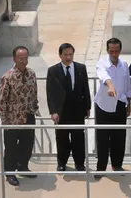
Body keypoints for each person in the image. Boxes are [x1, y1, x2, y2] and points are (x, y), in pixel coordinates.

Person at [0, 46, 40, 186]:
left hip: (28, 115)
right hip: (12, 118)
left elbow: (34, 93)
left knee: (27, 144)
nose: (24, 61)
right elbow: (2, 101)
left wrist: (35, 108)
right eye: (21, 58)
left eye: (25, 58)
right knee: (11, 147)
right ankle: (10, 173)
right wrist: (5, 121)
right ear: (14, 59)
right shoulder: (8, 77)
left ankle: (23, 166)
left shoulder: (31, 74)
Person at [46, 43, 91, 172]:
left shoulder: (81, 68)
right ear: (60, 55)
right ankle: (61, 163)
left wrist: (87, 106)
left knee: (78, 138)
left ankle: (79, 163)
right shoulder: (53, 71)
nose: (68, 57)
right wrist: (53, 111)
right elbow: (50, 92)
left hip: (77, 110)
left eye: (70, 54)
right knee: (62, 138)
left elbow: (85, 89)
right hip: (61, 112)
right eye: (65, 54)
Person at [94, 38, 131, 179]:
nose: (114, 54)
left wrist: (129, 104)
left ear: (120, 50)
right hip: (104, 105)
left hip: (120, 104)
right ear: (107, 50)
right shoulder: (102, 62)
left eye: (117, 51)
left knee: (119, 137)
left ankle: (117, 164)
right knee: (102, 138)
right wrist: (110, 86)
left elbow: (127, 85)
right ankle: (101, 168)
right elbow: (104, 76)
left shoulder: (124, 65)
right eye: (111, 51)